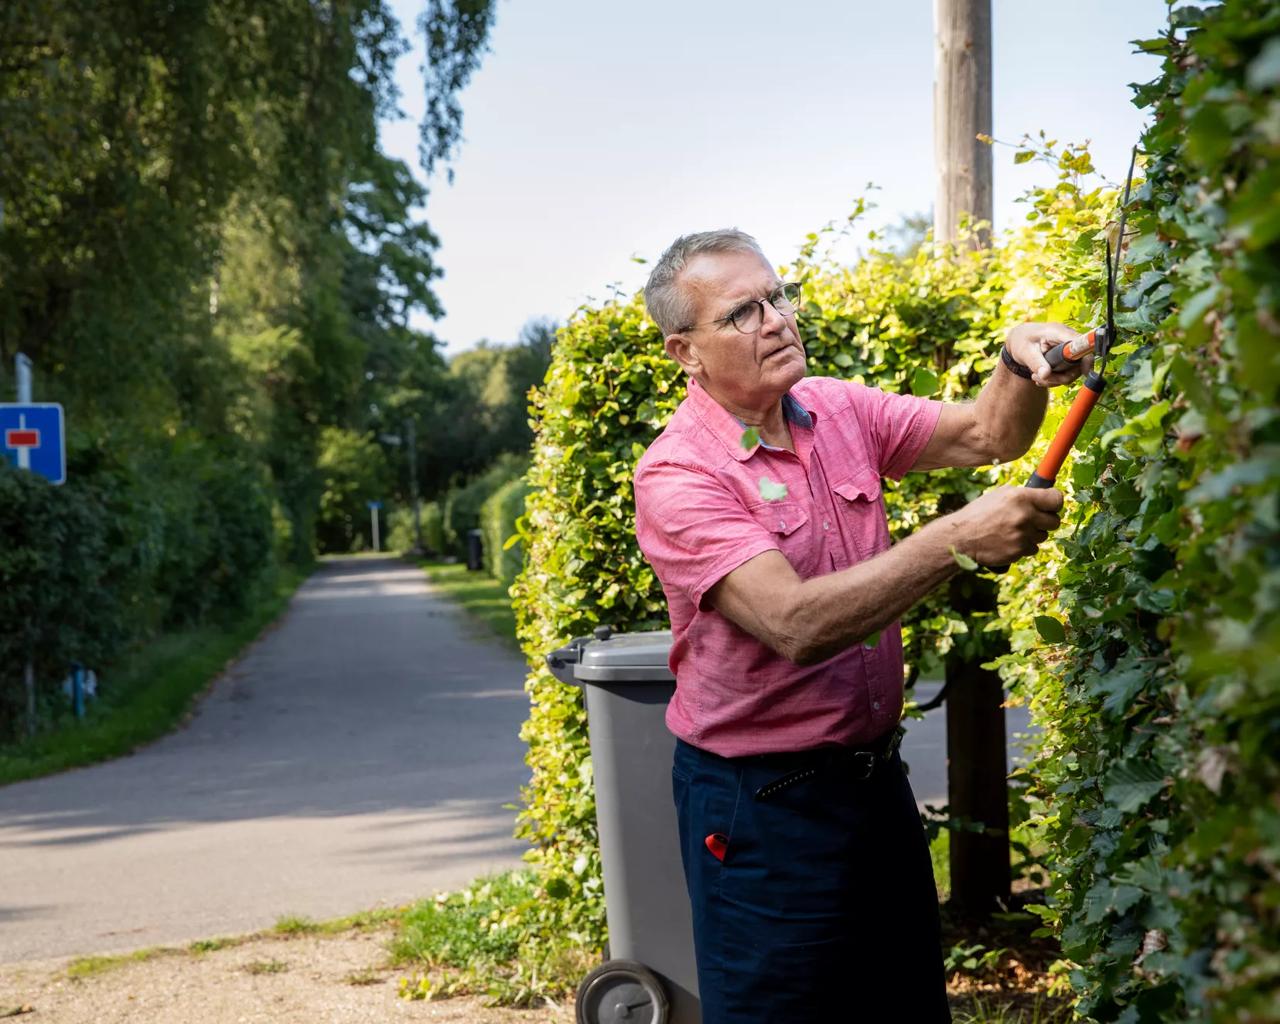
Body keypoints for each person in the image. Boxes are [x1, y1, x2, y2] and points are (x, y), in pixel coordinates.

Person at [632, 229, 1082, 1024]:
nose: (777, 320)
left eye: (778, 298)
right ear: (685, 353)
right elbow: (792, 624)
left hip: (873, 788)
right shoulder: (677, 476)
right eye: (743, 312)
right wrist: (953, 541)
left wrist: (1017, 362)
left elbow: (989, 434)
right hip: (760, 811)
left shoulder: (835, 409)